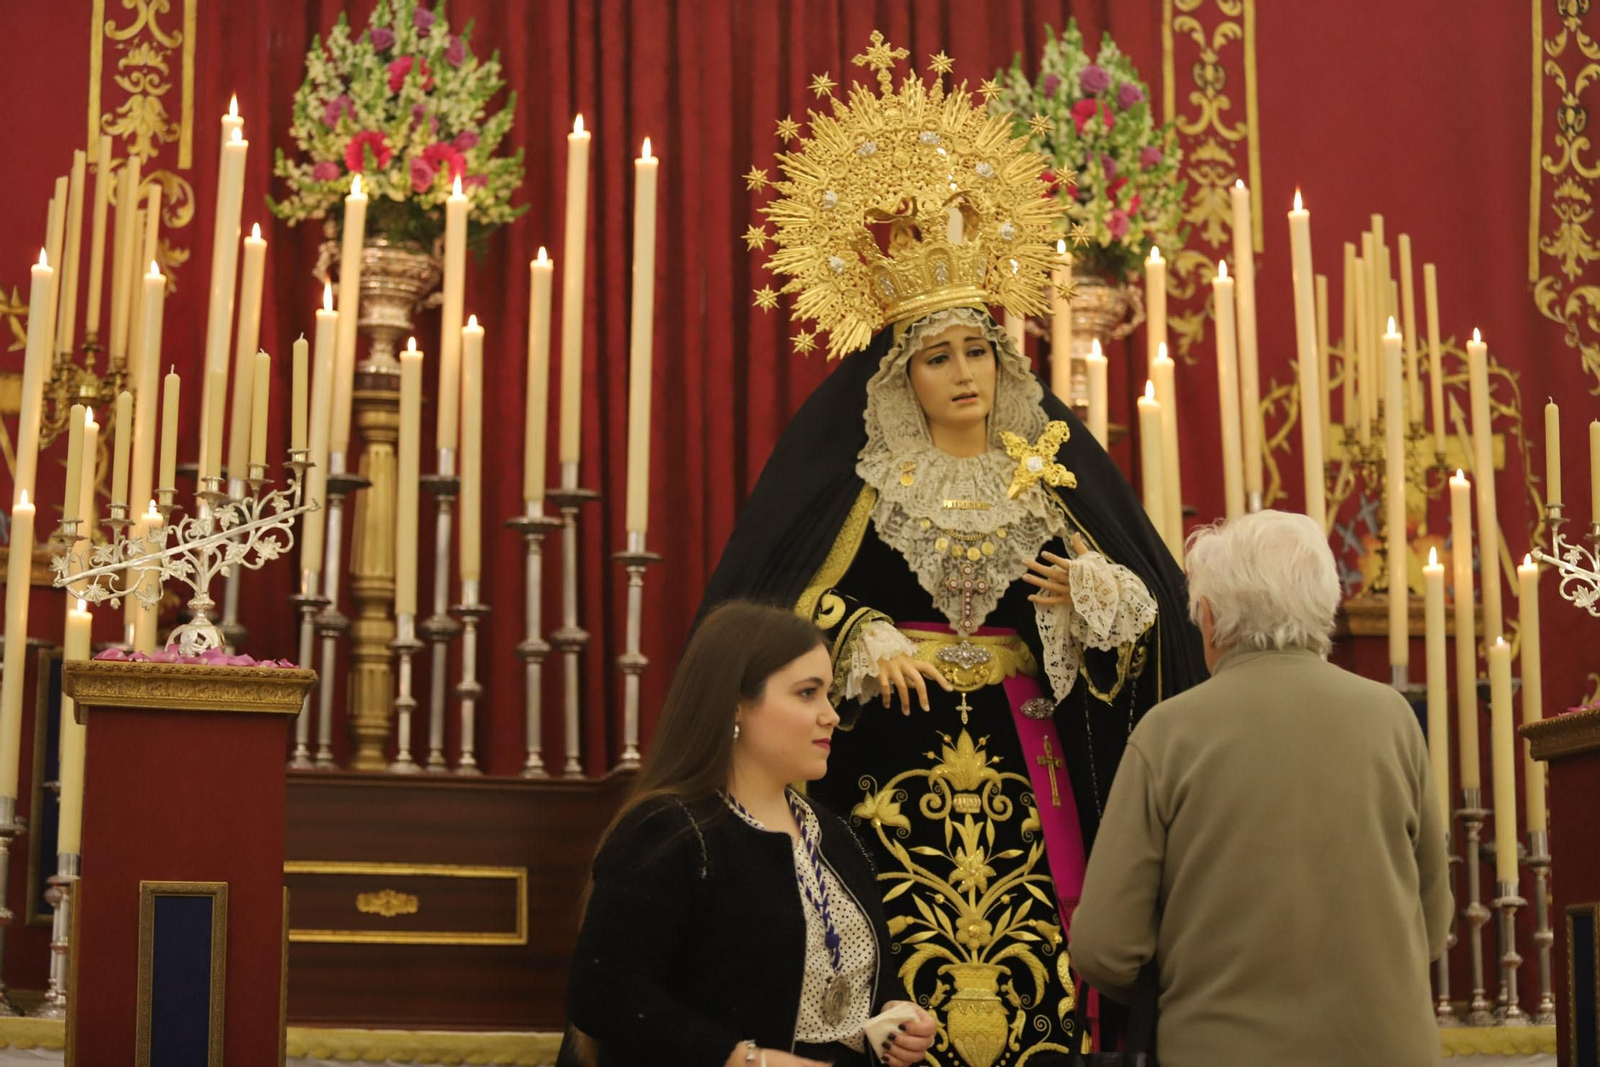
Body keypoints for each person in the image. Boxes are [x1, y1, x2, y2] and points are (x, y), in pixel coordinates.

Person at [700, 34, 1207, 1065]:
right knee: (890, 977)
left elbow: (1148, 639)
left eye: (977, 348)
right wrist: (854, 632)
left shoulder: (1048, 472)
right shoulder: (859, 482)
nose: (964, 372)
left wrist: (1094, 598)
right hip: (881, 771)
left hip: (1030, 778)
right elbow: (768, 615)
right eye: (938, 357)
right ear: (903, 378)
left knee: (1037, 986)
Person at [1070, 511, 1454, 1067]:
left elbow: (1104, 949)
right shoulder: (1392, 718)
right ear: (1326, 603)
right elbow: (1434, 923)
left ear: (1209, 618)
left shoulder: (1169, 732)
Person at [565, 601, 938, 1067]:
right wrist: (741, 1059)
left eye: (828, 694)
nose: (831, 716)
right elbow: (605, 993)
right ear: (736, 704)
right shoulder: (670, 830)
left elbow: (853, 978)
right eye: (807, 693)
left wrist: (894, 1015)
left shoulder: (835, 834)